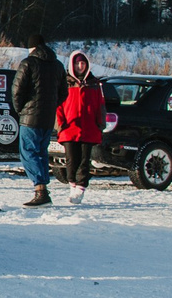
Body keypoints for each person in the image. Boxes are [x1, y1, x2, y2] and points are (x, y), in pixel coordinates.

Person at [10, 36, 67, 207]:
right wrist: (50, 107)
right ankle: (43, 189)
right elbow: (64, 93)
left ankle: (40, 190)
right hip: (48, 118)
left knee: (28, 151)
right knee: (41, 152)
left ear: (31, 47)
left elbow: (16, 90)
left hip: (30, 117)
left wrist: (21, 110)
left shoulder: (28, 63)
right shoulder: (58, 65)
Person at [56, 51, 106, 203]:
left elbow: (100, 106)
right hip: (69, 128)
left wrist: (100, 124)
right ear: (72, 65)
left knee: (84, 160)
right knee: (71, 160)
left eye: (83, 63)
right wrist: (60, 124)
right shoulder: (65, 83)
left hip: (89, 128)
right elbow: (58, 105)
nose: (80, 66)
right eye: (77, 63)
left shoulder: (95, 84)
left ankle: (80, 188)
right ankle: (72, 186)